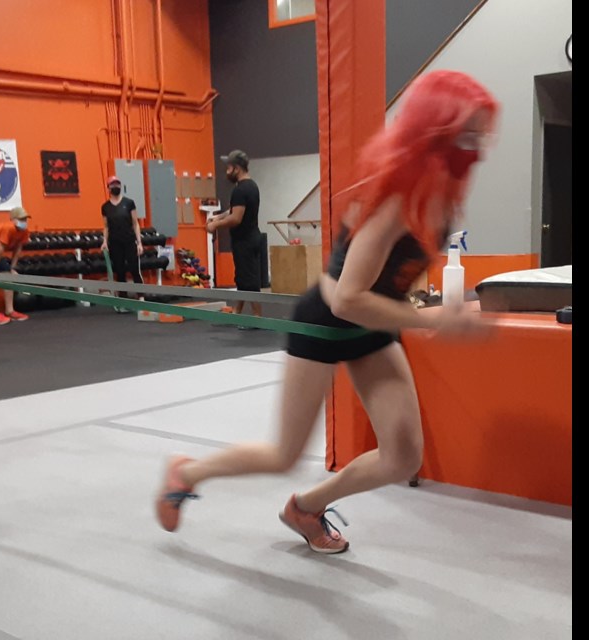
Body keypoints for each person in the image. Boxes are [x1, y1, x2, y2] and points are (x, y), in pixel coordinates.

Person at [156, 70, 499, 553]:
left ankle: (306, 507)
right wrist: (433, 320)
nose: (479, 145)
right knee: (284, 455)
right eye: (469, 132)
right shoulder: (397, 199)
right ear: (437, 130)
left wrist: (436, 307)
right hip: (327, 321)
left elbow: (393, 277)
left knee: (403, 456)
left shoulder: (441, 191)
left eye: (482, 132)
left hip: (373, 325)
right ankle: (187, 472)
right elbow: (347, 298)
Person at [206, 150, 262, 327]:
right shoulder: (251, 186)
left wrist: (215, 226)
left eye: (229, 167)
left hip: (245, 240)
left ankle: (257, 317)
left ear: (236, 168)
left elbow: (236, 218)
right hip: (250, 237)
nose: (226, 171)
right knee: (243, 277)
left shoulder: (240, 190)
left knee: (249, 280)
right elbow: (232, 211)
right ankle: (238, 311)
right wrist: (218, 217)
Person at [101, 176, 144, 313]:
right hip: (115, 243)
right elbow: (106, 226)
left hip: (129, 241)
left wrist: (139, 242)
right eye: (113, 185)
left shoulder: (129, 203)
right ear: (108, 188)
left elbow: (135, 223)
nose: (116, 187)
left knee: (134, 269)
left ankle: (141, 298)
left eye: (117, 184)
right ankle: (123, 300)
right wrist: (104, 242)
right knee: (120, 272)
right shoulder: (105, 207)